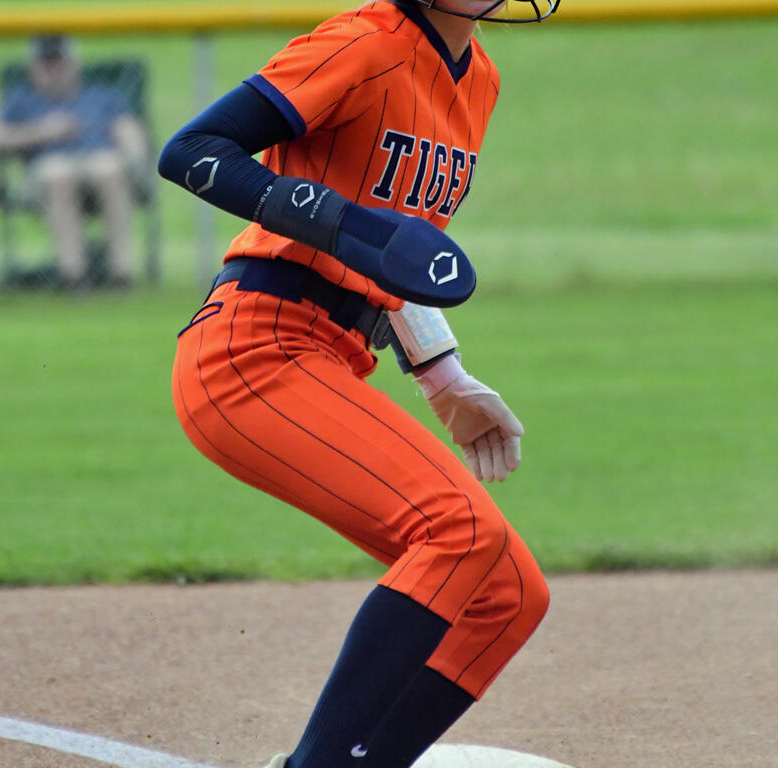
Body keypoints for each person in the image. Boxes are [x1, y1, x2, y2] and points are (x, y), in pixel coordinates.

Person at [158, 2, 560, 767]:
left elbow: (399, 247)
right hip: (254, 350)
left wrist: (442, 374)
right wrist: (341, 221)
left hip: (333, 348)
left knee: (507, 594)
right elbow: (193, 149)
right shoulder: (363, 42)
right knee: (457, 532)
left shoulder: (479, 80)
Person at [0, 35, 149, 289]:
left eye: (59, 63)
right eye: (46, 64)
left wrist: (134, 155)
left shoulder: (101, 96)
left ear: (74, 64)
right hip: (46, 176)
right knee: (58, 173)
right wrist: (42, 132)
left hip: (99, 168)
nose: (54, 71)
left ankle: (120, 274)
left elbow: (130, 132)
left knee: (108, 168)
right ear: (33, 68)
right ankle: (74, 276)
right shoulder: (21, 101)